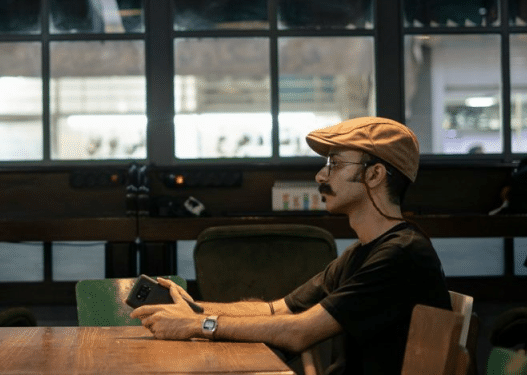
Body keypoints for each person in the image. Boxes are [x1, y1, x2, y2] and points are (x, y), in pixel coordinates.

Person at [131, 116, 451, 375]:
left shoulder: (401, 254)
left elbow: (299, 332)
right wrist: (198, 310)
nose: (320, 176)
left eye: (336, 164)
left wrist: (197, 325)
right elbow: (278, 309)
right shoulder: (363, 252)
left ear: (376, 174)